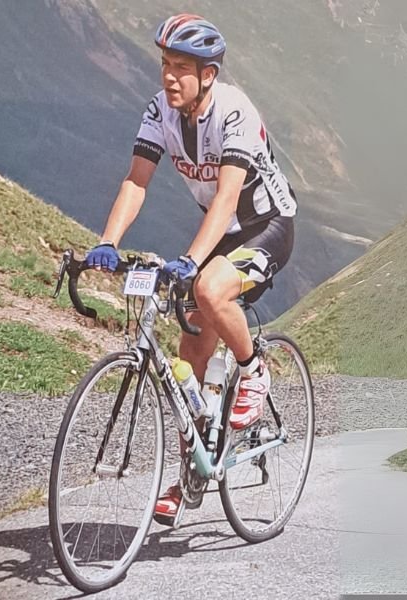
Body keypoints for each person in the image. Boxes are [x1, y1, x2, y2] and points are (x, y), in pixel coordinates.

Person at [85, 14, 298, 526]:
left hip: (266, 223)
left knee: (208, 288)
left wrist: (190, 261)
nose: (169, 77)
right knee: (190, 356)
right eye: (165, 64)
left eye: (182, 67)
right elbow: (137, 181)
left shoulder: (234, 111)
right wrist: (107, 242)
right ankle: (191, 473)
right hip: (222, 231)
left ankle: (254, 370)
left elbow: (227, 197)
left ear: (209, 74)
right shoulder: (159, 110)